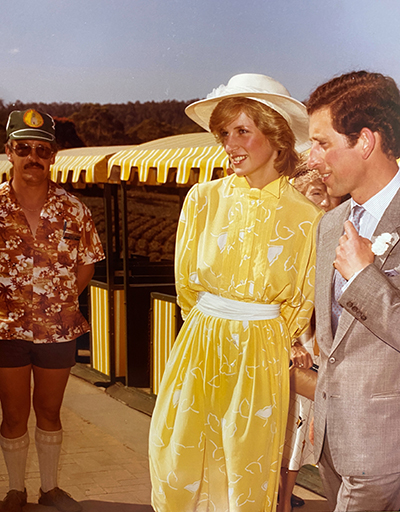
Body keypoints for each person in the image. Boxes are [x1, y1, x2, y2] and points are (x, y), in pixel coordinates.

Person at [148, 73, 323, 512]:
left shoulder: (308, 217)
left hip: (262, 350)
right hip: (201, 341)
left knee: (246, 465)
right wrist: (215, 321)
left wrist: (261, 334)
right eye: (225, 133)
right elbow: (186, 281)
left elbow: (302, 297)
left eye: (243, 130)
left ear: (277, 135)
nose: (230, 143)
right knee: (182, 458)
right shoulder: (202, 199)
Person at [0, 109, 105, 512]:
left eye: (42, 149)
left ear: (53, 156)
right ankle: (14, 489)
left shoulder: (74, 210)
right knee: (12, 415)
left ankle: (49, 488)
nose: (33, 157)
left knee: (49, 410)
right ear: (9, 151)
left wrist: (57, 301)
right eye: (23, 148)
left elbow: (87, 264)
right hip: (5, 331)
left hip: (58, 332)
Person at [307, 71, 400, 512]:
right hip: (331, 444)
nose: (311, 158)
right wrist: (319, 417)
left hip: (387, 450)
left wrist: (365, 277)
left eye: (322, 144)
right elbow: (332, 340)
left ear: (365, 141)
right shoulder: (329, 224)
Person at [279, 163, 342, 512]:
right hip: (296, 346)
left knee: (309, 428)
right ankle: (282, 501)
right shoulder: (289, 242)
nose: (326, 203)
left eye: (329, 195)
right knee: (293, 427)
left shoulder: (336, 237)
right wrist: (291, 342)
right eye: (318, 194)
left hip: (325, 348)